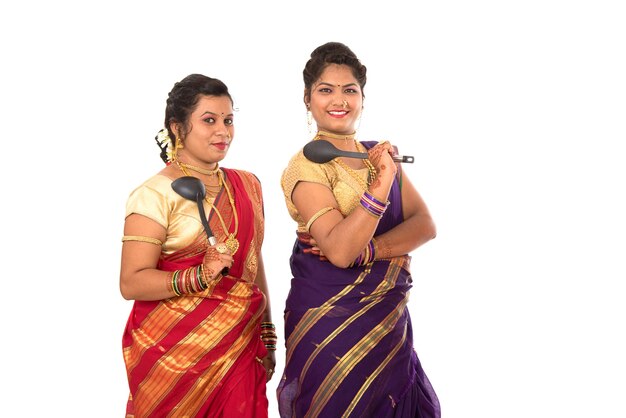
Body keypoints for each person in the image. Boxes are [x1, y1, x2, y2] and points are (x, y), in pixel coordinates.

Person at [276, 42, 441, 417]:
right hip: (329, 327)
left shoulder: (377, 155)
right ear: (307, 99)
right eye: (325, 90)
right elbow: (339, 252)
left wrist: (370, 249)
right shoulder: (306, 166)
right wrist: (382, 185)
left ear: (363, 98)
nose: (339, 100)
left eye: (350, 90)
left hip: (386, 327)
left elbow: (424, 225)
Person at [119, 74, 276, 417]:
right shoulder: (153, 194)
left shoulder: (247, 185)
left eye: (228, 120)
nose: (223, 131)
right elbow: (131, 282)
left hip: (238, 346)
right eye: (209, 120)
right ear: (177, 128)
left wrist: (266, 328)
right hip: (173, 358)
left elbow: (252, 258)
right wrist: (196, 277)